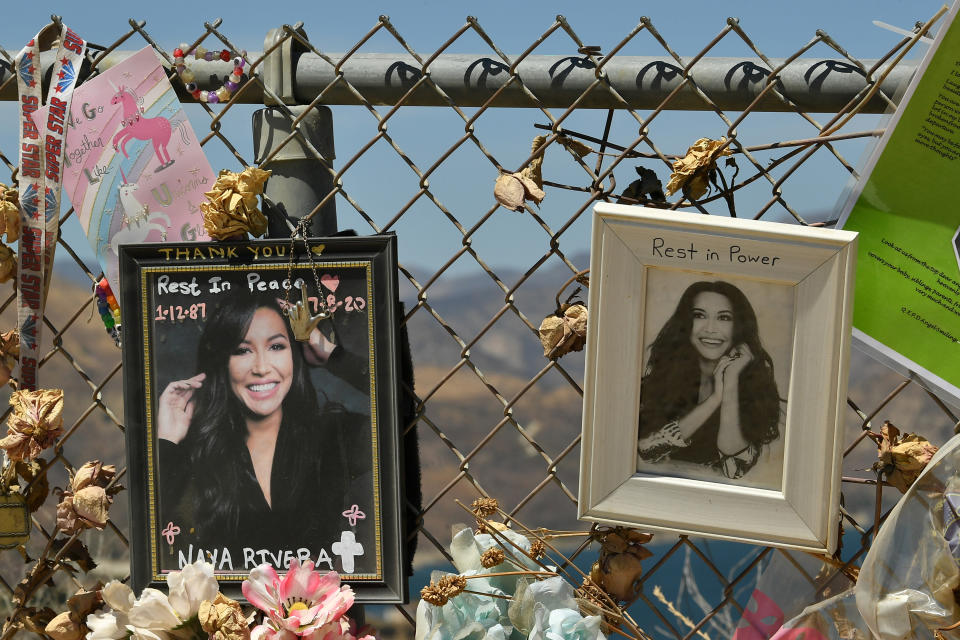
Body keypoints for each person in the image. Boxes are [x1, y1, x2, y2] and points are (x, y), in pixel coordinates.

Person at [156, 292, 372, 566]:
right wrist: (168, 441)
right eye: (242, 350)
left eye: (276, 347)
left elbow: (403, 410)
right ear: (223, 363)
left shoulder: (336, 436)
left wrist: (333, 356)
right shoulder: (197, 453)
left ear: (295, 355)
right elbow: (156, 543)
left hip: (323, 608)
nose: (261, 368)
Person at [636, 280, 782, 479]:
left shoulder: (754, 389)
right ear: (686, 323)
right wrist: (714, 399)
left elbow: (735, 469)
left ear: (739, 326)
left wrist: (729, 385)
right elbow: (646, 450)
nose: (711, 328)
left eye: (724, 318)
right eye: (699, 315)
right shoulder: (657, 382)